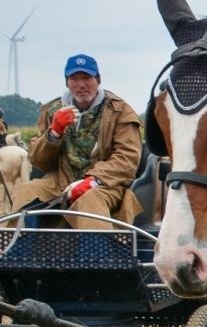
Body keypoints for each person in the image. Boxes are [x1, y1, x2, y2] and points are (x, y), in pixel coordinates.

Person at [12, 54, 144, 230]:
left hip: (107, 185)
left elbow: (127, 159)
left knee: (89, 200)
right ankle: (17, 252)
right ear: (67, 83)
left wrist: (93, 181)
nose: (81, 85)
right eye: (74, 78)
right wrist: (53, 133)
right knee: (26, 191)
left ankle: (99, 256)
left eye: (87, 78)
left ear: (98, 80)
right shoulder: (52, 110)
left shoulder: (120, 111)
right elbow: (38, 162)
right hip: (60, 181)